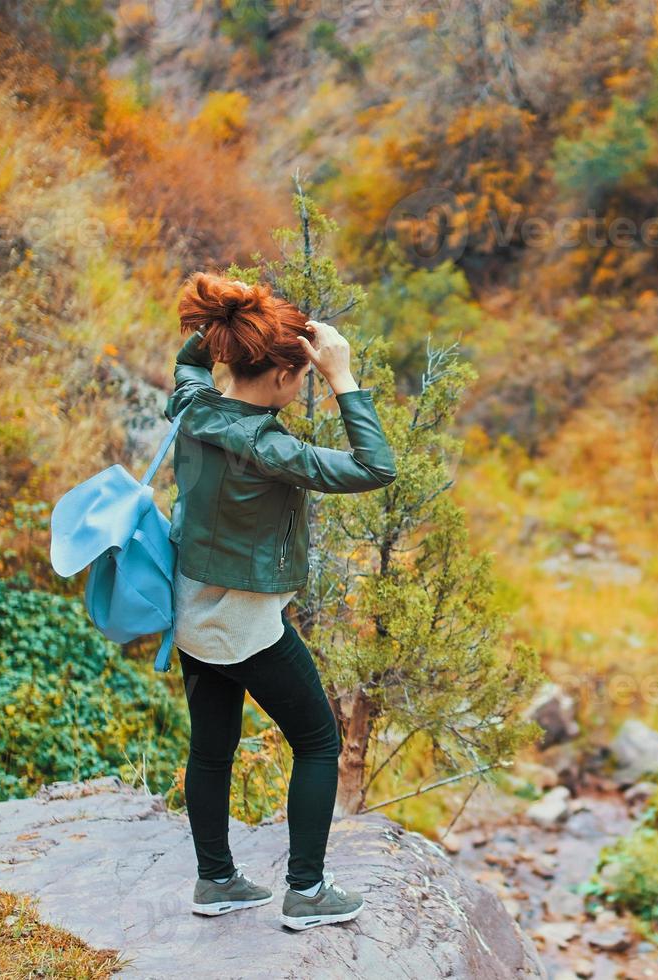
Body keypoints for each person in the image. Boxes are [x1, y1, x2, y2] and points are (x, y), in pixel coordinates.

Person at [162, 271, 397, 930]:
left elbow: (189, 362)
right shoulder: (270, 446)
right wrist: (343, 376)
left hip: (191, 610)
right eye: (299, 380)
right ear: (282, 379)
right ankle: (307, 891)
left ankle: (216, 882)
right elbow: (376, 468)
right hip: (244, 622)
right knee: (319, 742)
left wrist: (239, 310)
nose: (299, 391)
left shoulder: (191, 404)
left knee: (211, 748)